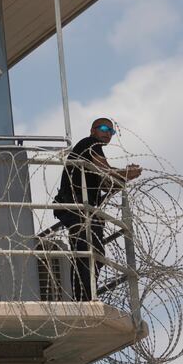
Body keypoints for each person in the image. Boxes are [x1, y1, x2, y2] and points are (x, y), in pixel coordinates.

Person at [54, 118, 142, 301]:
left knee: (94, 252)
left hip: (86, 209)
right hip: (75, 206)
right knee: (86, 250)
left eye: (111, 131)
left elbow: (107, 185)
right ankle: (83, 298)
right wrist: (126, 173)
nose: (107, 133)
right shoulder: (90, 143)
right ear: (93, 130)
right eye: (103, 128)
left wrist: (126, 177)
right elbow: (106, 171)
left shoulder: (93, 150)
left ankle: (84, 295)